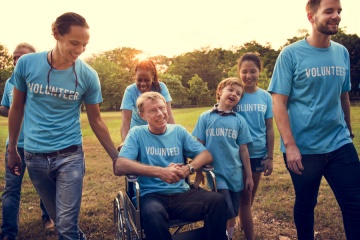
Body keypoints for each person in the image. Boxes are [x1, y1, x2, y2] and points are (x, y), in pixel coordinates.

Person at [7, 12, 118, 239]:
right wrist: (12, 150)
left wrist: (116, 157)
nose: (79, 50)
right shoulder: (27, 64)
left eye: (84, 45)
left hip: (70, 157)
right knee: (62, 222)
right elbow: (16, 108)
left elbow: (96, 119)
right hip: (34, 157)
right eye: (74, 43)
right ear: (57, 34)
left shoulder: (88, 75)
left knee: (66, 228)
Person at [268, 0, 360, 239]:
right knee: (306, 204)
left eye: (339, 11)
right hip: (304, 149)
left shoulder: (340, 52)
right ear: (311, 16)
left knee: (355, 205)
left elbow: (343, 94)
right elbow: (278, 101)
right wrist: (290, 146)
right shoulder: (290, 54)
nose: (336, 16)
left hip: (339, 143)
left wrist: (348, 130)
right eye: (329, 11)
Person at [114, 91, 228, 240]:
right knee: (153, 214)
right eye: (153, 110)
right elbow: (120, 166)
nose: (160, 114)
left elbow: (206, 155)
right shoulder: (136, 134)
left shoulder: (178, 131)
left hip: (181, 194)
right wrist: (161, 172)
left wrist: (189, 168)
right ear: (142, 115)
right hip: (151, 195)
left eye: (162, 108)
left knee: (217, 201)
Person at [0, 43, 54, 240]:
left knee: (44, 185)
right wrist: (14, 109)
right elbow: (6, 108)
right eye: (14, 57)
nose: (17, 61)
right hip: (15, 146)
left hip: (40, 145)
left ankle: (48, 216)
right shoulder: (9, 83)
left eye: (21, 57)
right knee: (11, 189)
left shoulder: (44, 81)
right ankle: (8, 232)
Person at [192, 78, 254, 240]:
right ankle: (217, 235)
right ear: (220, 91)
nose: (234, 94)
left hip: (235, 174)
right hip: (215, 173)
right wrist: (198, 173)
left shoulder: (240, 121)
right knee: (224, 207)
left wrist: (248, 176)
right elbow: (198, 147)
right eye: (230, 90)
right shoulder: (206, 117)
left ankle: (229, 236)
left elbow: (244, 150)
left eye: (238, 93)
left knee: (232, 212)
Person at [234, 52, 274, 239]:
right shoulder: (235, 94)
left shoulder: (265, 97)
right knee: (244, 196)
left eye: (253, 71)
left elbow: (269, 129)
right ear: (239, 72)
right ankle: (243, 227)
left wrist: (270, 157)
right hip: (237, 154)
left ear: (260, 72)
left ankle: (243, 221)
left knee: (250, 195)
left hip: (258, 153)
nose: (248, 75)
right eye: (244, 71)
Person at [120, 59, 175, 146]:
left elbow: (168, 114)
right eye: (139, 80)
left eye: (146, 80)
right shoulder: (130, 91)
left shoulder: (161, 88)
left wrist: (172, 136)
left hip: (158, 130)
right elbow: (126, 119)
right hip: (138, 133)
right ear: (135, 77)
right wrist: (125, 142)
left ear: (152, 77)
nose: (142, 84)